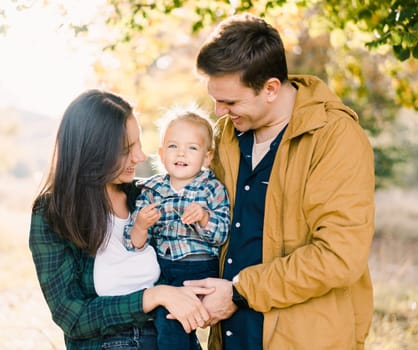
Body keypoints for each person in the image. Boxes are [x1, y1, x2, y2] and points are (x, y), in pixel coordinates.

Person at [184, 13, 376, 350]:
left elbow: (339, 256)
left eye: (229, 101)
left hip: (305, 339)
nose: (217, 111)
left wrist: (242, 291)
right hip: (230, 337)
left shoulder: (335, 137)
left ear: (271, 88)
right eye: (215, 99)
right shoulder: (225, 136)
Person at [29, 90, 214, 350]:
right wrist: (153, 297)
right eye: (127, 149)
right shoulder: (53, 213)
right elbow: (73, 317)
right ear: (93, 152)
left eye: (138, 144)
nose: (140, 157)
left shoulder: (147, 195)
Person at [123, 107, 230, 350]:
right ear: (161, 154)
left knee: (172, 323)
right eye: (173, 146)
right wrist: (141, 225)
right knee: (172, 322)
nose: (181, 153)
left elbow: (222, 233)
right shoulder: (151, 190)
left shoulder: (211, 188)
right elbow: (133, 243)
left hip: (198, 269)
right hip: (162, 269)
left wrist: (203, 218)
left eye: (192, 147)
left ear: (206, 157)